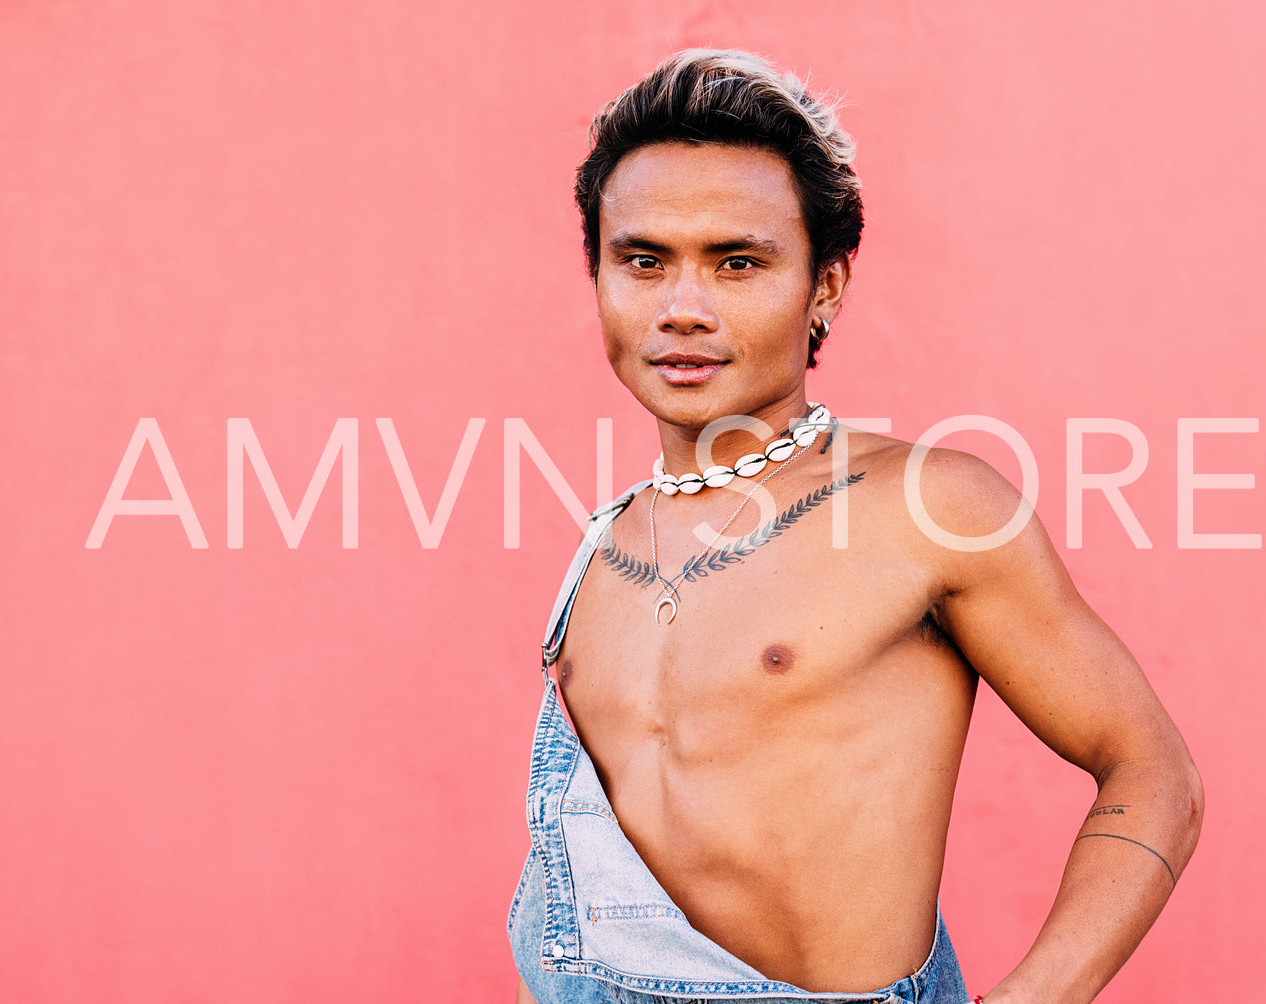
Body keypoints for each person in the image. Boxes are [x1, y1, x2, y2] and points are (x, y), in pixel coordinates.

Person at [507, 49, 1203, 1004]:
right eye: (642, 260)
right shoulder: (601, 552)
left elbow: (1152, 770)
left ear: (823, 287)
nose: (682, 309)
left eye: (737, 263)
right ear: (599, 277)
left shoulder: (930, 508)